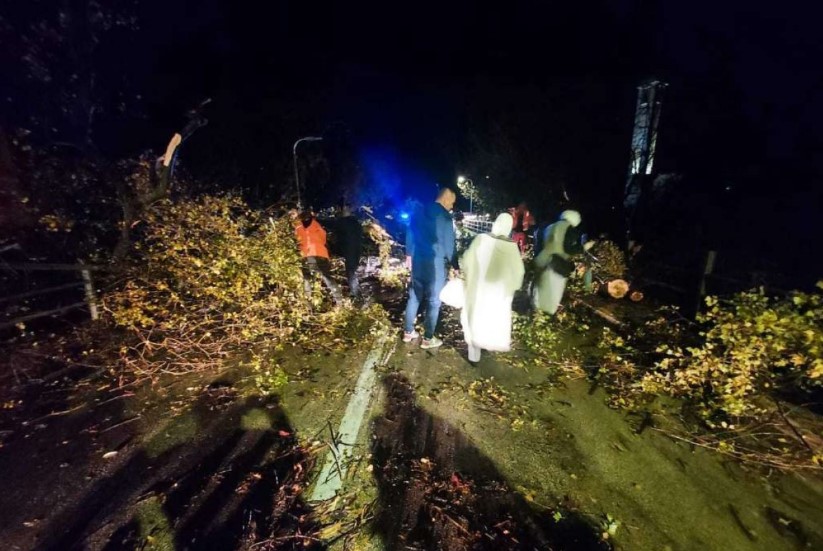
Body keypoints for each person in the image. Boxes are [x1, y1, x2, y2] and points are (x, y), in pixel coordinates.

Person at [460, 213, 525, 364]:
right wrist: (513, 287)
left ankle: (474, 355)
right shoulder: (511, 247)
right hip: (498, 293)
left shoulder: (481, 239)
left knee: (474, 317)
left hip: (478, 289)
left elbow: (467, 260)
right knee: (491, 318)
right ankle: (487, 342)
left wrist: (469, 275)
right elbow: (518, 272)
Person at [403, 186, 457, 349]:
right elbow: (449, 245)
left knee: (414, 296)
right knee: (434, 301)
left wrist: (409, 254)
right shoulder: (445, 217)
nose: (452, 206)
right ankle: (427, 338)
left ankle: (408, 332)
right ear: (446, 198)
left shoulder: (419, 212)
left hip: (418, 261)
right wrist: (455, 265)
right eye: (452, 202)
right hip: (435, 265)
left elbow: (410, 233)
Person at [532, 210, 593, 314]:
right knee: (553, 295)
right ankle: (547, 315)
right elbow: (568, 249)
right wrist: (584, 247)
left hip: (543, 261)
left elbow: (540, 244)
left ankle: (536, 314)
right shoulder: (569, 229)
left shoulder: (550, 227)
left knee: (540, 291)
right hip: (557, 264)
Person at [294, 210, 342, 304]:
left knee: (308, 279)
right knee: (325, 277)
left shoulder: (299, 227)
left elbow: (298, 241)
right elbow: (323, 239)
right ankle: (339, 300)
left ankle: (308, 303)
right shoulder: (317, 226)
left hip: (308, 254)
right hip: (318, 254)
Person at [330, 203, 363, 300]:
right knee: (352, 270)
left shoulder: (344, 222)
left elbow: (331, 224)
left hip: (350, 250)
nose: (342, 211)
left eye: (344, 209)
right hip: (356, 249)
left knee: (351, 271)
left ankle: (356, 295)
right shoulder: (356, 223)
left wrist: (316, 220)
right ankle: (356, 293)